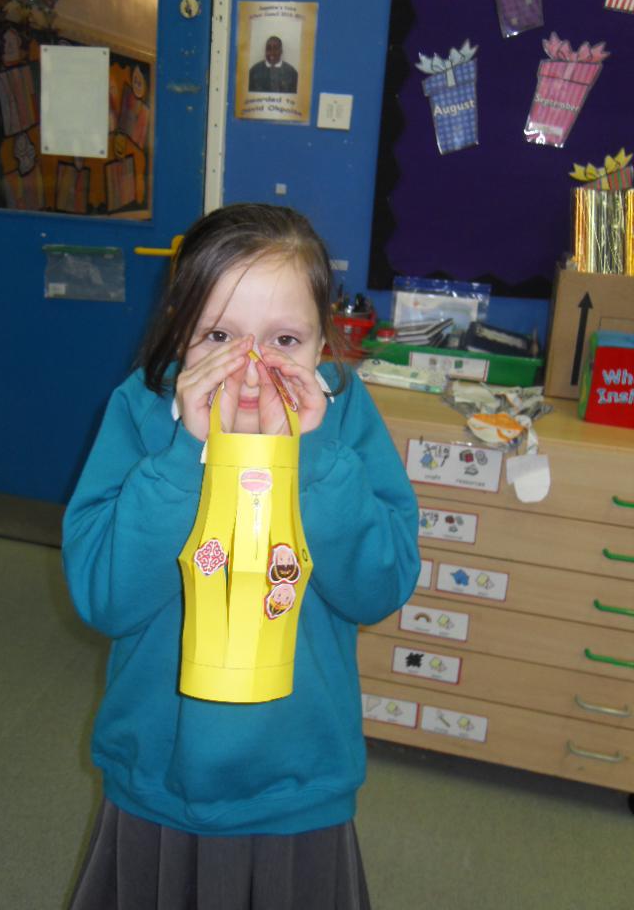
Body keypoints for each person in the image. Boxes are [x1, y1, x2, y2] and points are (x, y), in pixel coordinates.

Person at [63, 203, 420, 910]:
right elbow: (104, 597)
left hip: (299, 782)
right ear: (180, 332)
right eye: (220, 336)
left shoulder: (343, 420)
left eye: (285, 339)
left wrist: (314, 459)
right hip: (159, 775)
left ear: (323, 342)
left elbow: (380, 587)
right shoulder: (142, 413)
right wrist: (184, 457)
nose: (252, 369)